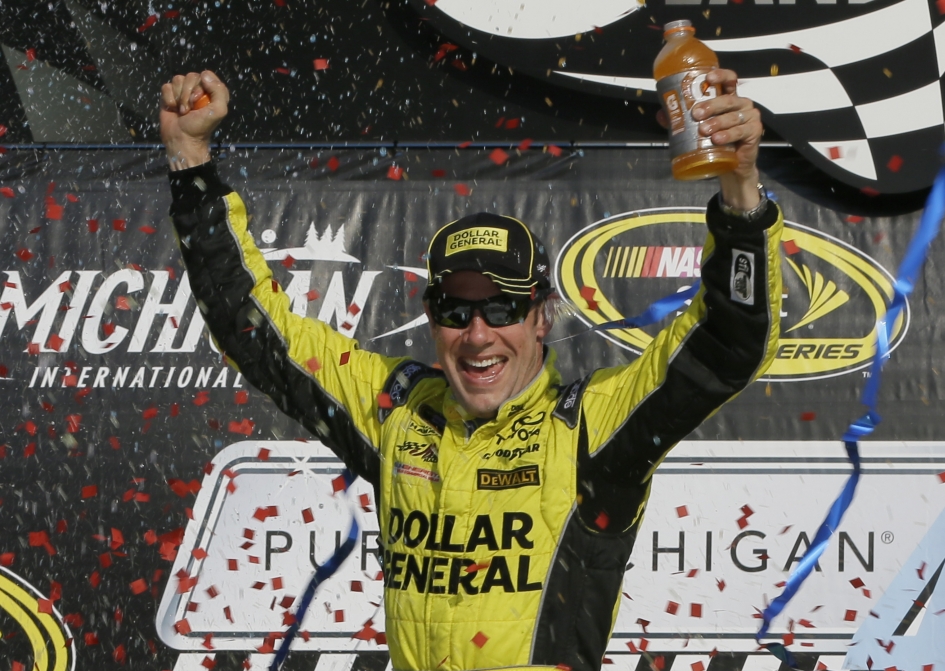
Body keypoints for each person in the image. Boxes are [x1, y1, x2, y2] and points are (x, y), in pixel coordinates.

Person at [161, 70, 782, 671]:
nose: (478, 333)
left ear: (541, 317)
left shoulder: (591, 426)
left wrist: (740, 192)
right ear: (431, 318)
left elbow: (727, 343)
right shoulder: (396, 411)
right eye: (455, 309)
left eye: (503, 307)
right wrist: (190, 160)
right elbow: (257, 334)